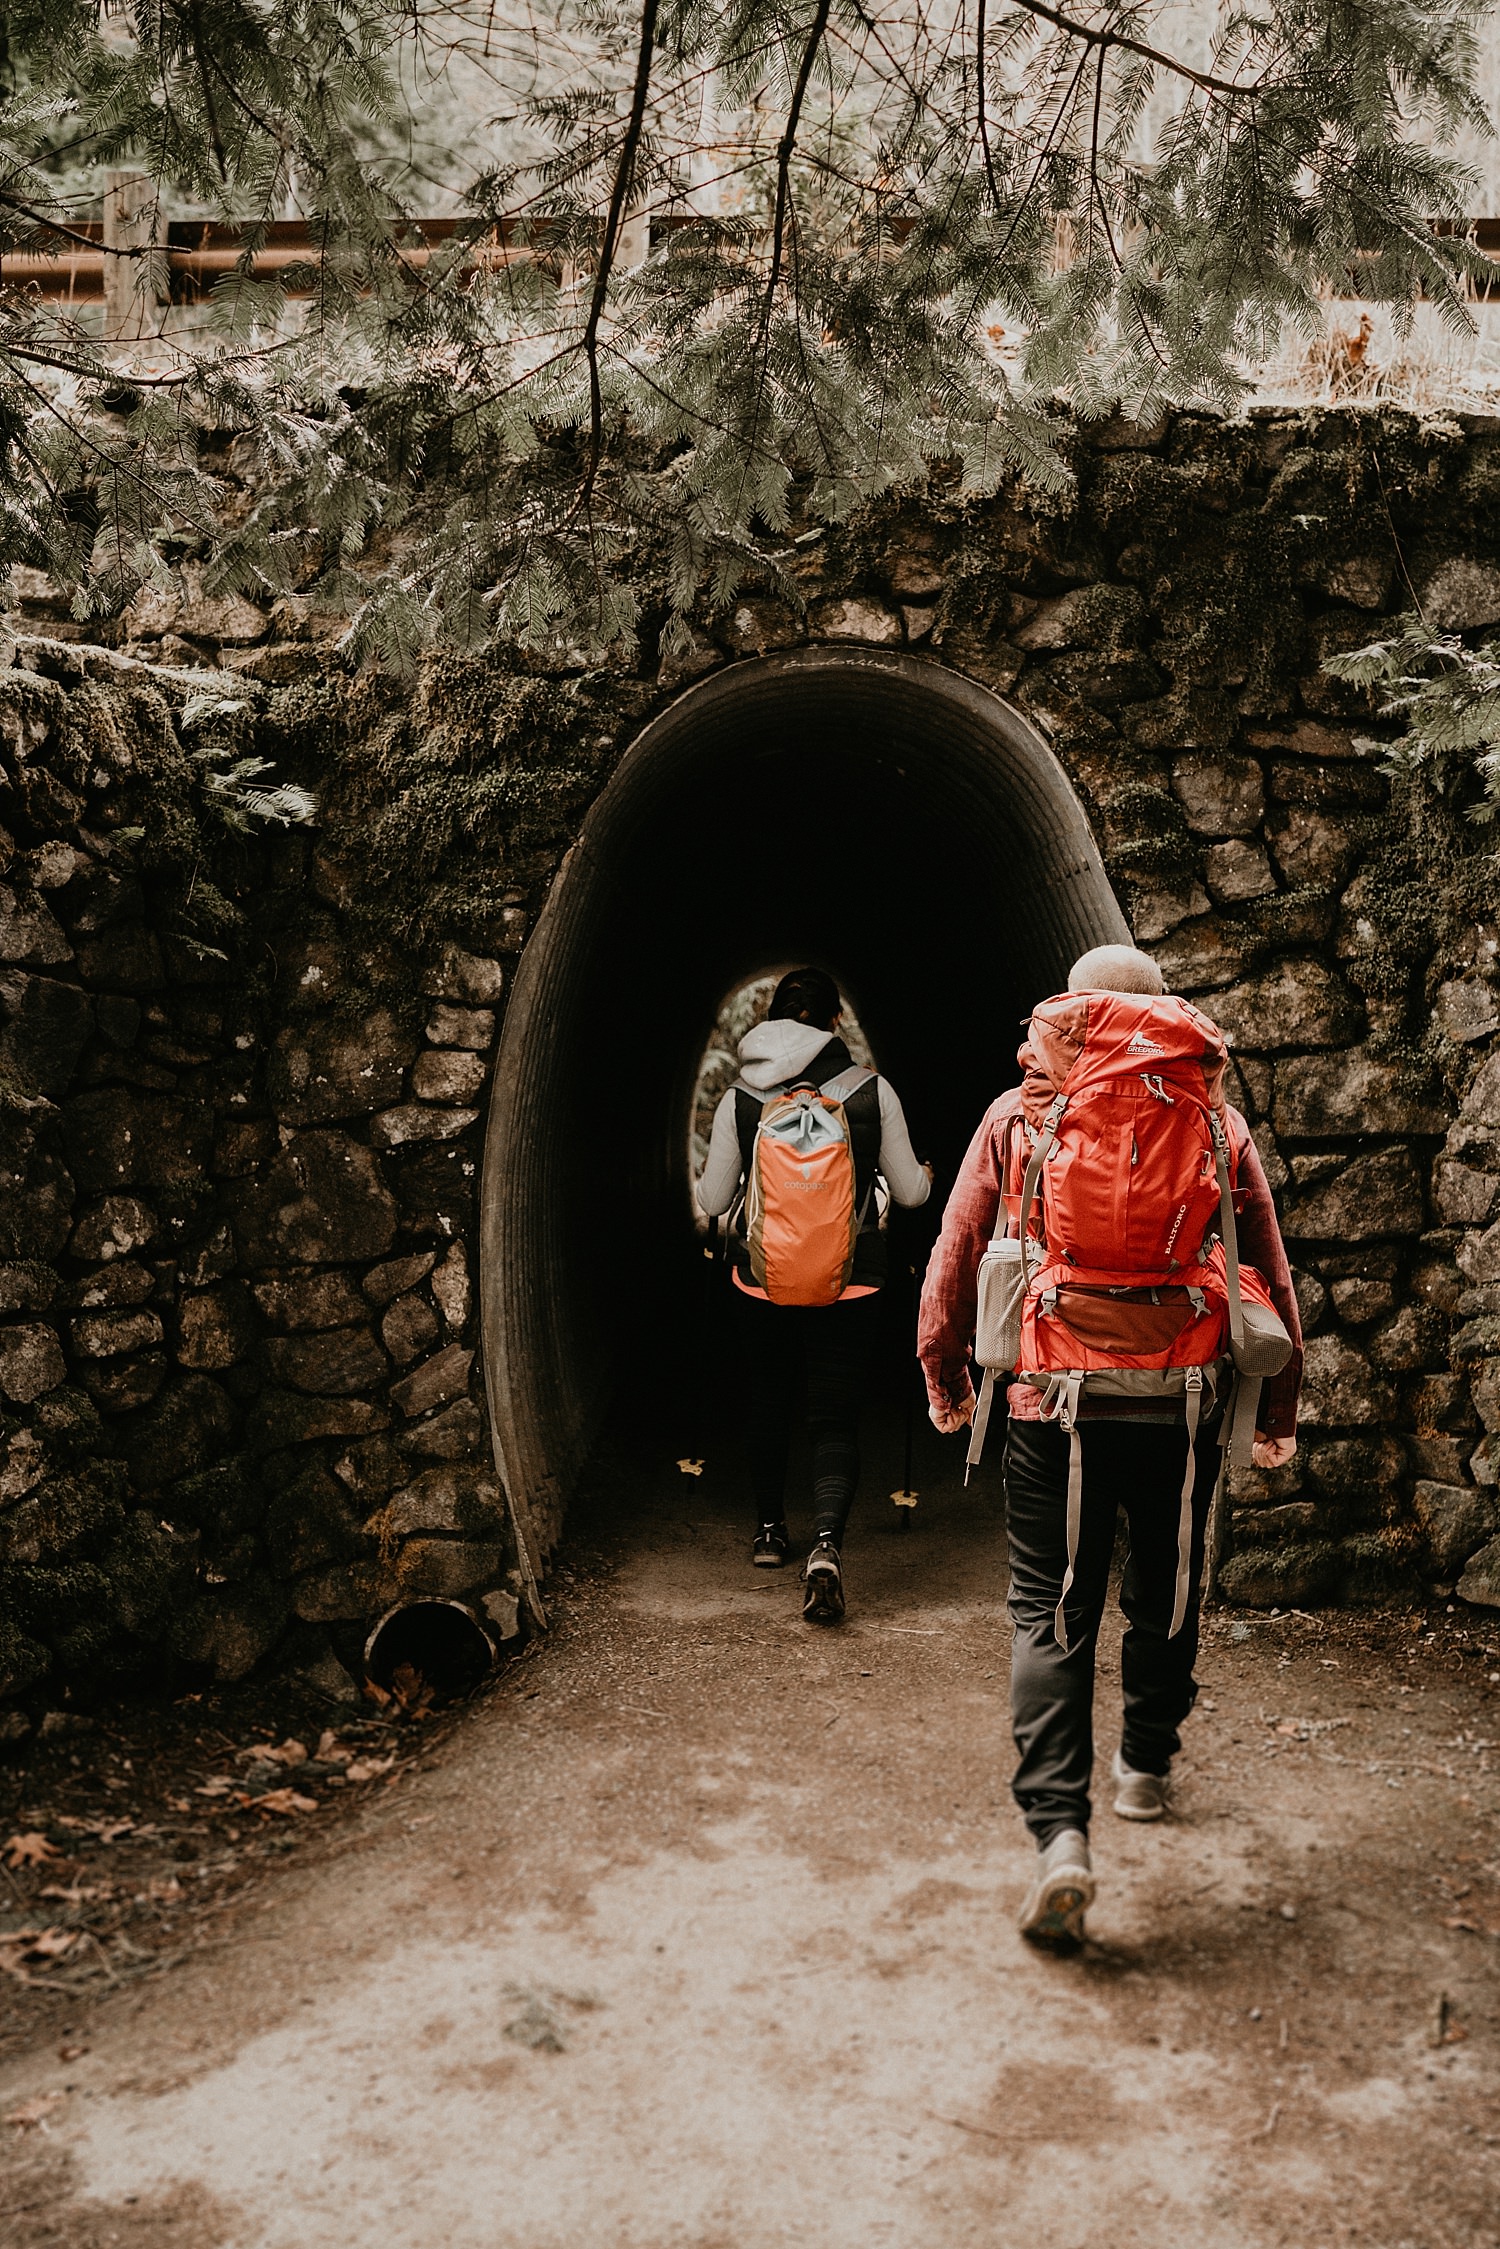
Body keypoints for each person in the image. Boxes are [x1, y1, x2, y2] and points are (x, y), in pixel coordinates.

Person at [917, 943, 1302, 1944]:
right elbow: (1266, 1262)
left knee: (1049, 1604)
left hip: (1055, 1402)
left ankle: (1059, 1838)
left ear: (1070, 1011)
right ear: (1161, 1010)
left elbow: (956, 1249)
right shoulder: (1214, 1117)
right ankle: (1144, 1764)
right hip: (1181, 1398)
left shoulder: (1021, 1113)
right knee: (1167, 1583)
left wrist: (948, 1376)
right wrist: (1280, 1411)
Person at [698, 966, 932, 1621]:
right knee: (834, 1418)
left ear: (770, 1021)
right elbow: (910, 1193)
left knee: (768, 1398)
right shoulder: (870, 1090)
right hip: (852, 1282)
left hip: (760, 1281)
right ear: (835, 1022)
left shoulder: (741, 1097)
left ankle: (770, 1531)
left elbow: (713, 1200)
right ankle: (827, 1545)